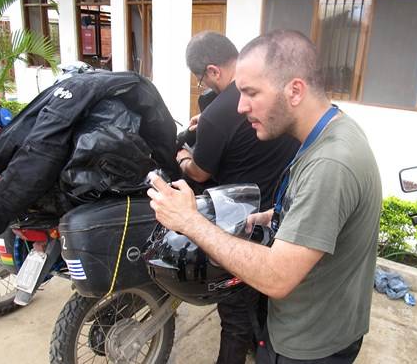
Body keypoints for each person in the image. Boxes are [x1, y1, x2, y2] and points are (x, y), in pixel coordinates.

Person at [148, 30, 382, 363]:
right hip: (315, 322)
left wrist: (190, 221)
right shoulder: (332, 129)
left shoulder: (331, 163)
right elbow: (332, 215)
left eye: (251, 93)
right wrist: (279, 217)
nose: (241, 107)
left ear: (295, 91)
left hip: (310, 343)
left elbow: (277, 277)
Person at [177, 31, 299, 364]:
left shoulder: (218, 114)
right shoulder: (276, 103)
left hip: (241, 222)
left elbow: (200, 172)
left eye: (202, 78)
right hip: (278, 212)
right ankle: (260, 343)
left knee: (233, 315)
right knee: (258, 301)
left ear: (213, 70)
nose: (243, 105)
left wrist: (182, 158)